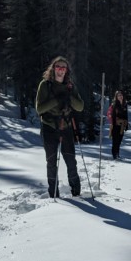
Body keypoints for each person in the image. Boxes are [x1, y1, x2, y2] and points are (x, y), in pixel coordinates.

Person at [35, 56, 84, 198]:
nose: (60, 70)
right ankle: (53, 194)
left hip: (66, 128)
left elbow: (80, 107)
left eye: (63, 68)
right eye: (58, 67)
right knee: (51, 162)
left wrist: (69, 97)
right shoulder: (45, 85)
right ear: (53, 68)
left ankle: (76, 193)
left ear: (66, 70)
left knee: (70, 161)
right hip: (49, 128)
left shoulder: (70, 86)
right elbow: (39, 109)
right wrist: (57, 100)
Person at [108, 90, 130, 160]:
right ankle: (114, 155)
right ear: (116, 97)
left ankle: (117, 154)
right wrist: (112, 124)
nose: (120, 96)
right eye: (119, 95)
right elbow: (111, 115)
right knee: (115, 141)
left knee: (119, 140)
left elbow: (126, 115)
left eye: (121, 95)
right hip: (115, 125)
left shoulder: (124, 104)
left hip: (122, 125)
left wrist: (126, 125)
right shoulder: (114, 105)